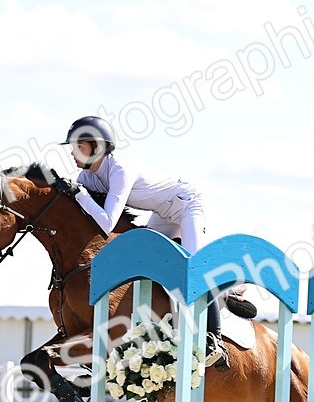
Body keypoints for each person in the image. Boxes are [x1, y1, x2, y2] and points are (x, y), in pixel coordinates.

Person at [54, 115, 229, 370]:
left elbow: (106, 222)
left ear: (97, 148)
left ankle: (215, 340)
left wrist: (79, 196)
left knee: (192, 268)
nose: (72, 154)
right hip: (162, 214)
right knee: (146, 265)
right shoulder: (87, 178)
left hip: (189, 204)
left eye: (78, 148)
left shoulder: (119, 169)